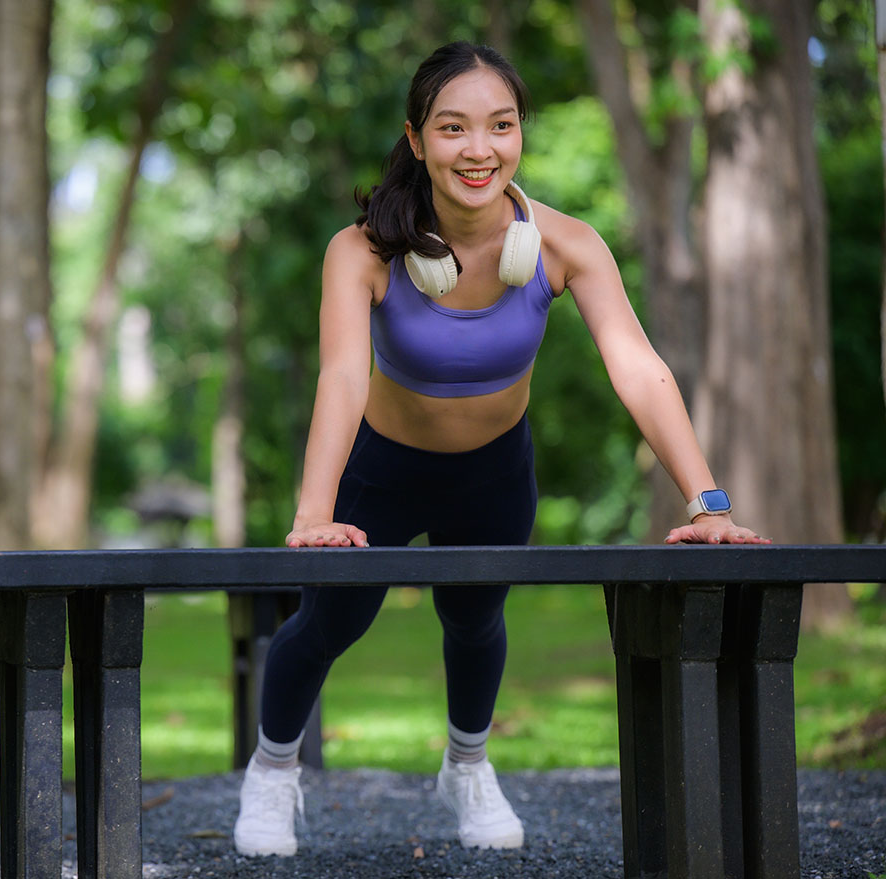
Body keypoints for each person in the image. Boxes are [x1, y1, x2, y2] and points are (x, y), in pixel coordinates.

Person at [231, 41, 770, 859]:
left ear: (520, 134)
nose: (478, 148)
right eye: (453, 128)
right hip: (381, 466)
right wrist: (314, 510)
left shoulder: (564, 245)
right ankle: (272, 772)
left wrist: (710, 503)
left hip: (492, 470)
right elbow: (342, 376)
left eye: (500, 125)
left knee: (476, 618)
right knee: (328, 620)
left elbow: (641, 369)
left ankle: (468, 764)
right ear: (417, 140)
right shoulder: (362, 250)